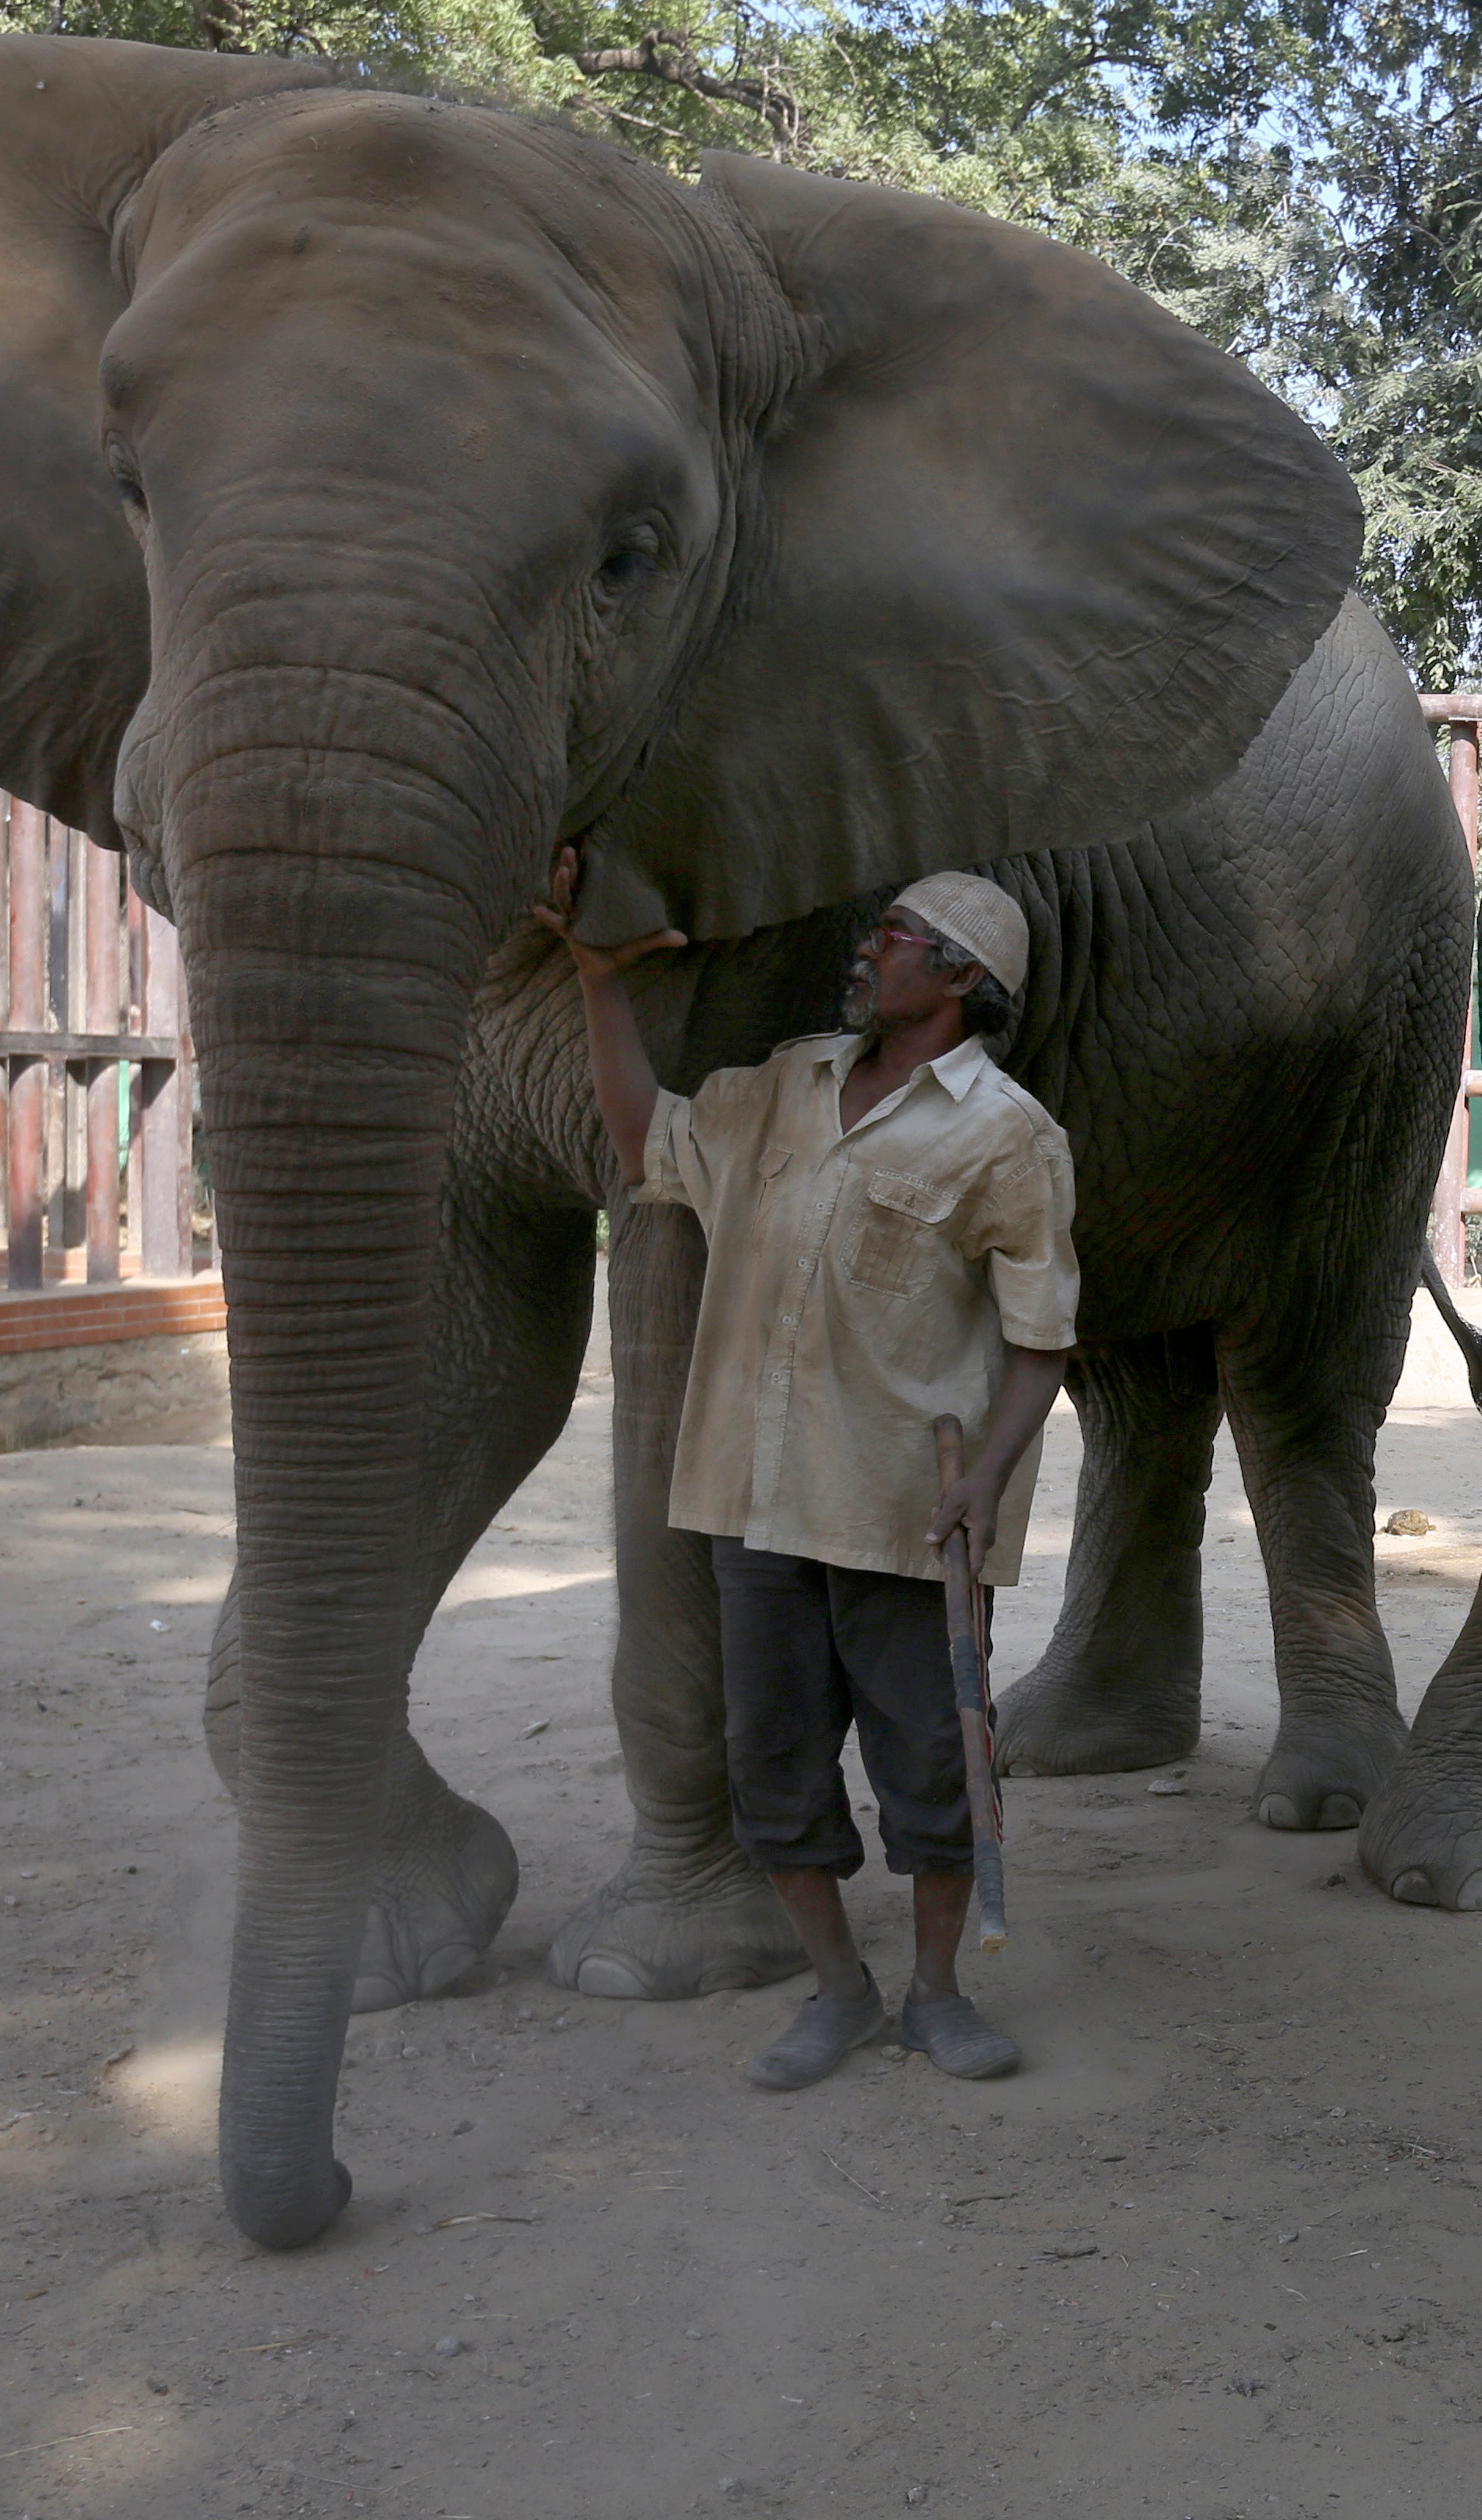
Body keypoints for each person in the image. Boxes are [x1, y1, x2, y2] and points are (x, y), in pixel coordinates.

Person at [541, 849, 1078, 2091]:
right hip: (757, 1500)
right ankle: (839, 1990)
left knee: (935, 1775)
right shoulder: (785, 1088)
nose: (866, 947)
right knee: (772, 1774)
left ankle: (936, 1994)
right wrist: (599, 987)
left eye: (892, 934)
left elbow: (1043, 1337)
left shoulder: (1011, 1140)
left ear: (957, 976)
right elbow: (650, 1144)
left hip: (906, 1516)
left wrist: (987, 1480)